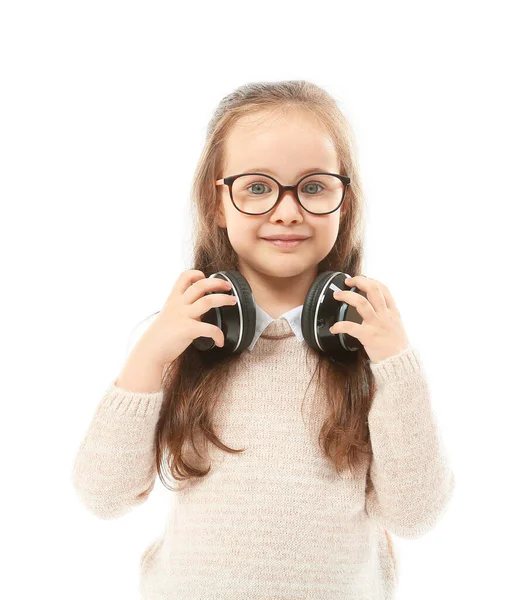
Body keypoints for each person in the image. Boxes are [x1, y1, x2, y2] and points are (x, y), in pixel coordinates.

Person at [71, 80, 455, 600]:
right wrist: (149, 357)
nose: (287, 211)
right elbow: (104, 496)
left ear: (346, 199)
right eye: (257, 187)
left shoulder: (370, 351)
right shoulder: (182, 345)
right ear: (217, 202)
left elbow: (415, 515)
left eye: (314, 186)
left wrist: (396, 365)